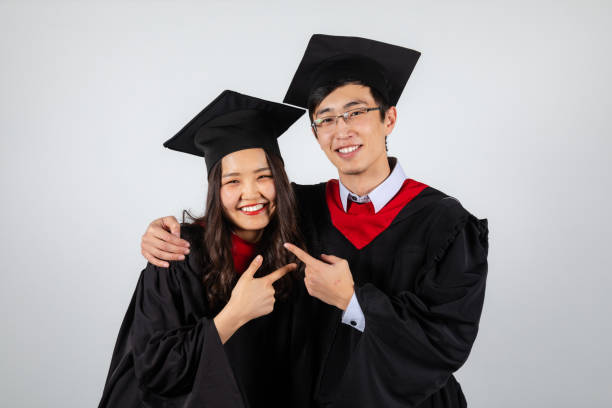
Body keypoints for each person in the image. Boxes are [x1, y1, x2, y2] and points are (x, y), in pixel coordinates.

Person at [142, 35, 489, 408]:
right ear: (315, 133)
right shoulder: (299, 208)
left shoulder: (447, 224)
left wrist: (352, 299)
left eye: (356, 112)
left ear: (389, 118)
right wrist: (162, 235)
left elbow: (446, 342)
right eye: (325, 119)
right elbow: (233, 222)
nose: (342, 130)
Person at [99, 90, 306, 408]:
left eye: (264, 176)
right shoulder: (177, 254)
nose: (251, 194)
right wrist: (234, 315)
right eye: (233, 181)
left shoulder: (296, 244)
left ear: (281, 180)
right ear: (215, 190)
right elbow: (156, 371)